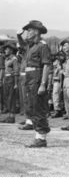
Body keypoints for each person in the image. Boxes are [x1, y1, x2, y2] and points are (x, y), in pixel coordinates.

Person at [17, 20, 51, 148]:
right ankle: (38, 136)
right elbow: (21, 45)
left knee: (38, 107)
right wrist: (19, 35)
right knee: (31, 106)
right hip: (29, 78)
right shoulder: (31, 46)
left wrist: (43, 84)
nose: (27, 33)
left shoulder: (42, 46)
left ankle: (41, 138)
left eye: (29, 30)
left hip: (37, 78)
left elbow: (46, 65)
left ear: (36, 31)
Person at [0, 43, 19, 123]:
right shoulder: (6, 59)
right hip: (6, 79)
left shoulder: (14, 59)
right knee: (7, 98)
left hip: (11, 79)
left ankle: (12, 117)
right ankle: (9, 116)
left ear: (11, 50)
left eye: (7, 49)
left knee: (11, 98)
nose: (5, 51)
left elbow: (16, 71)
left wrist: (15, 83)